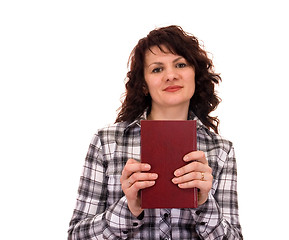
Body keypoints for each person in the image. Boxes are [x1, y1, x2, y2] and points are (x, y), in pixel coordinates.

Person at [68, 25, 243, 239]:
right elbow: (76, 236)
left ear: (195, 76)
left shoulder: (221, 150)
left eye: (180, 64)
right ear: (144, 85)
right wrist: (128, 206)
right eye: (157, 69)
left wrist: (205, 202)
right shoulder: (107, 142)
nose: (171, 75)